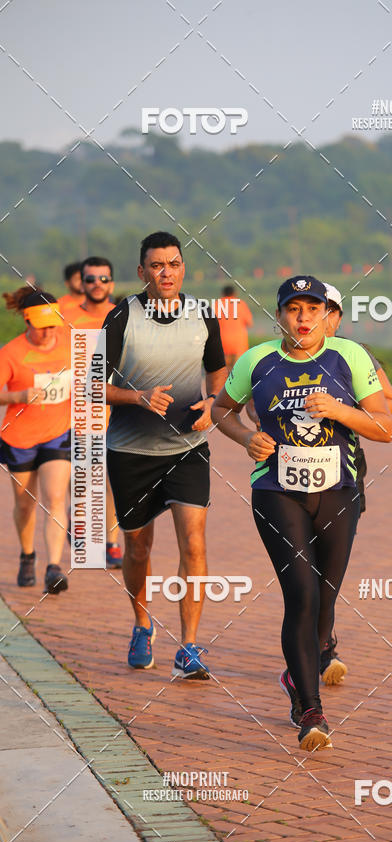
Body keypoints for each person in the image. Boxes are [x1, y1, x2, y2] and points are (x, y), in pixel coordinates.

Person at [212, 276, 392, 750]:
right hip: (276, 490)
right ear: (280, 315)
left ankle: (298, 677)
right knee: (302, 594)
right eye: (294, 309)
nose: (304, 318)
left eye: (312, 309)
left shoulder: (349, 356)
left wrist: (338, 409)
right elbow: (220, 410)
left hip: (339, 491)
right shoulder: (257, 359)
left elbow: (384, 426)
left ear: (324, 315)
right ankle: (311, 711)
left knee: (325, 600)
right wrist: (244, 437)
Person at [103, 232, 228, 678]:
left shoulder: (203, 315)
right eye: (157, 265)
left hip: (187, 450)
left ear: (182, 268)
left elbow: (218, 370)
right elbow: (91, 384)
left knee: (194, 543)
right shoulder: (121, 318)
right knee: (138, 549)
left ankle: (190, 645)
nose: (166, 272)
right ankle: (141, 624)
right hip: (130, 451)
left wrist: (214, 404)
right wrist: (136, 397)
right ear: (142, 272)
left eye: (173, 264)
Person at [316, 282, 392, 684]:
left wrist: (340, 407)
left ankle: (323, 643)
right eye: (315, 309)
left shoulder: (356, 355)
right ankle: (319, 646)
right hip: (288, 479)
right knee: (304, 568)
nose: (323, 318)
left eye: (331, 311)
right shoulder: (279, 357)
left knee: (328, 569)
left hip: (346, 474)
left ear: (338, 317)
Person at [0, 287, 71, 593]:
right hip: (20, 436)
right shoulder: (11, 353)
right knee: (25, 503)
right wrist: (18, 395)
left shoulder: (71, 344)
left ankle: (53, 568)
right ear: (27, 322)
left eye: (52, 324)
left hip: (59, 433)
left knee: (56, 497)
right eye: (41, 327)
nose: (47, 333)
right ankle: (27, 555)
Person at [64, 256, 122, 569]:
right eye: (90, 279)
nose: (97, 284)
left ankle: (112, 543)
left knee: (112, 479)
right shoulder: (66, 317)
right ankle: (79, 523)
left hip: (116, 411)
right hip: (78, 412)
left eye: (103, 278)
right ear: (81, 282)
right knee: (82, 476)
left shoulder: (123, 316)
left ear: (111, 282)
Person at [215, 284, 253, 370]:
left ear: (223, 293)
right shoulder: (241, 304)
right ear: (235, 293)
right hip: (239, 343)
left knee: (224, 372)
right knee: (237, 371)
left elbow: (212, 323)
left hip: (222, 342)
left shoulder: (218, 304)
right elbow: (249, 323)